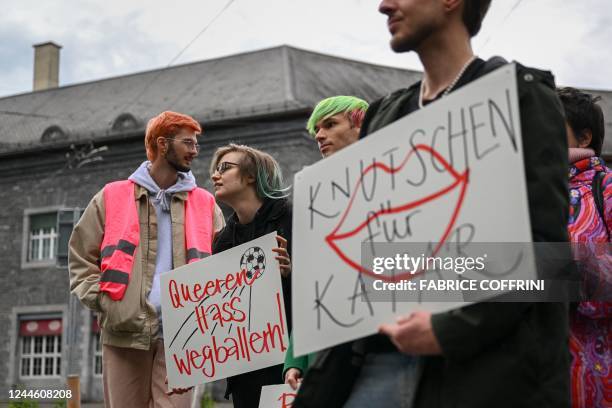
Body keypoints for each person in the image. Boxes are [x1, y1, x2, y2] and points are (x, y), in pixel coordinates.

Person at [297, 1, 572, 407]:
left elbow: (548, 253)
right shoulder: (385, 117)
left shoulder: (523, 96)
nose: (383, 5)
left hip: (478, 371)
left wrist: (451, 330)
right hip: (373, 363)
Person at [68, 111, 225, 407]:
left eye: (196, 144)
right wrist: (106, 302)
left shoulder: (205, 202)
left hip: (184, 334)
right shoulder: (112, 196)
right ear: (163, 144)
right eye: (188, 143)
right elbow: (80, 255)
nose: (195, 151)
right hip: (125, 332)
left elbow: (223, 261)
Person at [284, 95, 369, 390]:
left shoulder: (392, 179)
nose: (319, 135)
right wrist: (296, 357)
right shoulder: (316, 195)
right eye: (316, 129)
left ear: (361, 125)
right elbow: (314, 281)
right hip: (327, 349)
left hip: (379, 347)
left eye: (330, 124)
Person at [210, 144, 292, 408]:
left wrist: (291, 272)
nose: (215, 175)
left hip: (290, 365)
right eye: (215, 169)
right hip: (245, 369)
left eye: (225, 167)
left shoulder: (292, 217)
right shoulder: (223, 241)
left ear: (251, 175)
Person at [557, 87, 611, 408]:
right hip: (535, 373)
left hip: (593, 377)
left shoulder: (604, 187)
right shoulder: (526, 192)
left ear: (584, 138)